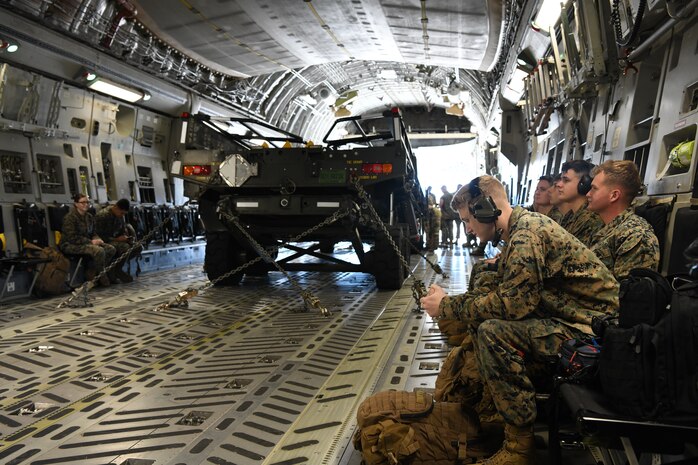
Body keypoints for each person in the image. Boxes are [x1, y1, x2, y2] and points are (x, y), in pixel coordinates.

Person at [421, 175, 618, 465]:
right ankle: (493, 410)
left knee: (493, 332)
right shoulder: (519, 230)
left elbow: (512, 306)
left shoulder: (526, 234)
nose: (468, 229)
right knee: (486, 284)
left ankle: (519, 446)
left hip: (591, 334)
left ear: (486, 209)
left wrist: (447, 306)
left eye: (468, 220)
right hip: (574, 320)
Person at [586, 160, 660, 280]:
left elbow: (627, 294)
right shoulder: (601, 227)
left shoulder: (635, 235)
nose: (588, 194)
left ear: (614, 195)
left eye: (594, 189)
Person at [60, 194, 115, 287]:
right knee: (98, 250)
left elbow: (93, 232)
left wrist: (97, 238)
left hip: (86, 243)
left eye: (87, 202)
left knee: (110, 249)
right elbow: (72, 237)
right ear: (76, 204)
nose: (86, 204)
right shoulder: (70, 218)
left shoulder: (89, 217)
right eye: (82, 202)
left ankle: (93, 271)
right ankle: (102, 277)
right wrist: (91, 242)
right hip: (70, 245)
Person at [556, 160, 604, 247]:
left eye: (566, 180)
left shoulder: (591, 220)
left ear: (584, 184)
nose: (559, 185)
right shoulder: (569, 216)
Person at [95, 199, 139, 283]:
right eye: (121, 213)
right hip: (104, 241)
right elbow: (98, 236)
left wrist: (126, 237)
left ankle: (116, 268)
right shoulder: (102, 216)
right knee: (125, 247)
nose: (122, 215)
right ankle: (115, 270)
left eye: (124, 214)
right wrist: (116, 239)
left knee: (138, 247)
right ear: (116, 207)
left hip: (116, 240)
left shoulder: (120, 216)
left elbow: (121, 230)